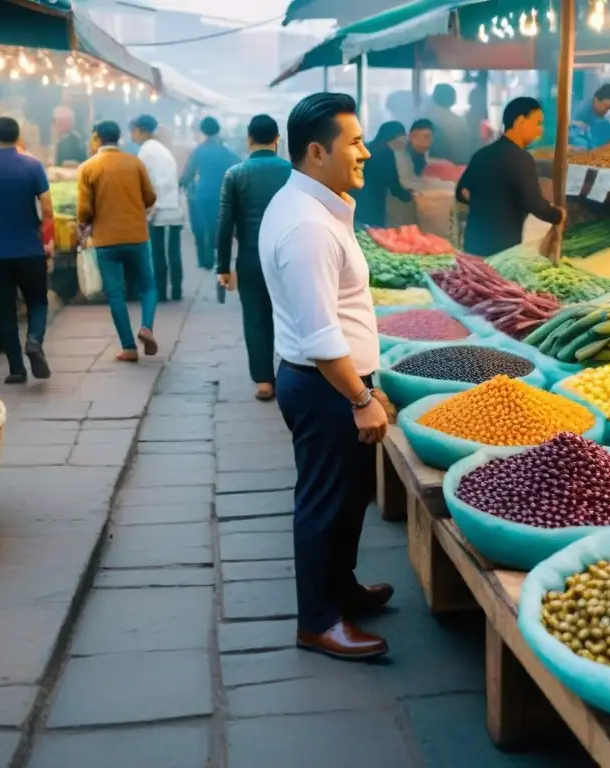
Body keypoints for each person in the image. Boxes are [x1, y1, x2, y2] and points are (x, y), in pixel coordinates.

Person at [259, 92, 393, 661]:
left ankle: (341, 591)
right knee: (322, 503)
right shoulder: (308, 227)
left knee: (347, 499)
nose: (365, 152)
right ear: (317, 152)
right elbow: (319, 335)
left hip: (334, 385)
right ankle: (317, 621)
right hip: (325, 389)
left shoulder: (313, 207)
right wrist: (361, 396)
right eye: (355, 142)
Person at [0, 116, 53, 385]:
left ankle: (16, 369)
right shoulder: (32, 165)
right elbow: (48, 209)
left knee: (5, 310)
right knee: (38, 301)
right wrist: (38, 228)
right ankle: (35, 341)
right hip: (29, 249)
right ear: (18, 136)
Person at [217, 114, 291, 402]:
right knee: (288, 316)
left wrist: (223, 266)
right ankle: (290, 374)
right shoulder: (293, 171)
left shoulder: (235, 174)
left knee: (255, 317)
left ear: (249, 139)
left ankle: (263, 381)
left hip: (250, 257)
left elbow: (225, 223)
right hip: (288, 257)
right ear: (277, 139)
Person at [78, 121, 159, 362]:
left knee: (115, 294)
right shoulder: (135, 162)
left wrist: (88, 222)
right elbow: (150, 197)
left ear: (97, 139)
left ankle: (129, 347)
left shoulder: (88, 167)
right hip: (136, 236)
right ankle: (146, 327)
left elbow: (84, 210)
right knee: (148, 286)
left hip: (105, 240)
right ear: (118, 138)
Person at [456, 97, 565, 257]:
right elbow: (534, 203)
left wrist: (485, 200)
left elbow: (461, 192)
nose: (540, 130)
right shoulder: (521, 158)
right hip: (501, 248)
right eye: (537, 123)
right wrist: (558, 215)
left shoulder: (482, 154)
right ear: (520, 121)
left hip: (473, 244)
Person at [130, 114, 185, 303]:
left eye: (133, 131)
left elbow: (148, 183)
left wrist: (146, 207)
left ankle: (161, 292)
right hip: (173, 208)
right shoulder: (162, 150)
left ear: (140, 130)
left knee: (158, 252)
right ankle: (176, 290)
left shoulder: (146, 152)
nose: (132, 135)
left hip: (159, 209)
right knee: (174, 252)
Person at [180, 116, 240, 271]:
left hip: (203, 195)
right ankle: (220, 257)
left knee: (202, 227)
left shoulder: (198, 151)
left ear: (202, 131)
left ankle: (205, 260)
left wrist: (185, 185)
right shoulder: (228, 152)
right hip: (224, 195)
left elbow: (187, 175)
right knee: (221, 226)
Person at [353, 121, 412, 228]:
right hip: (372, 202)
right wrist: (409, 196)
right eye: (400, 142)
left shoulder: (368, 147)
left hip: (356, 199)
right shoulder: (385, 154)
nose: (403, 144)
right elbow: (393, 184)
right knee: (374, 233)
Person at [571, 83, 610, 150]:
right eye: (606, 107)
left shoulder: (607, 125)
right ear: (596, 99)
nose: (605, 111)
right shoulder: (581, 109)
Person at [422, 84, 471, 164]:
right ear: (454, 99)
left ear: (434, 97)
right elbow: (463, 153)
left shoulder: (424, 115)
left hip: (427, 166)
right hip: (453, 166)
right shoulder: (458, 121)